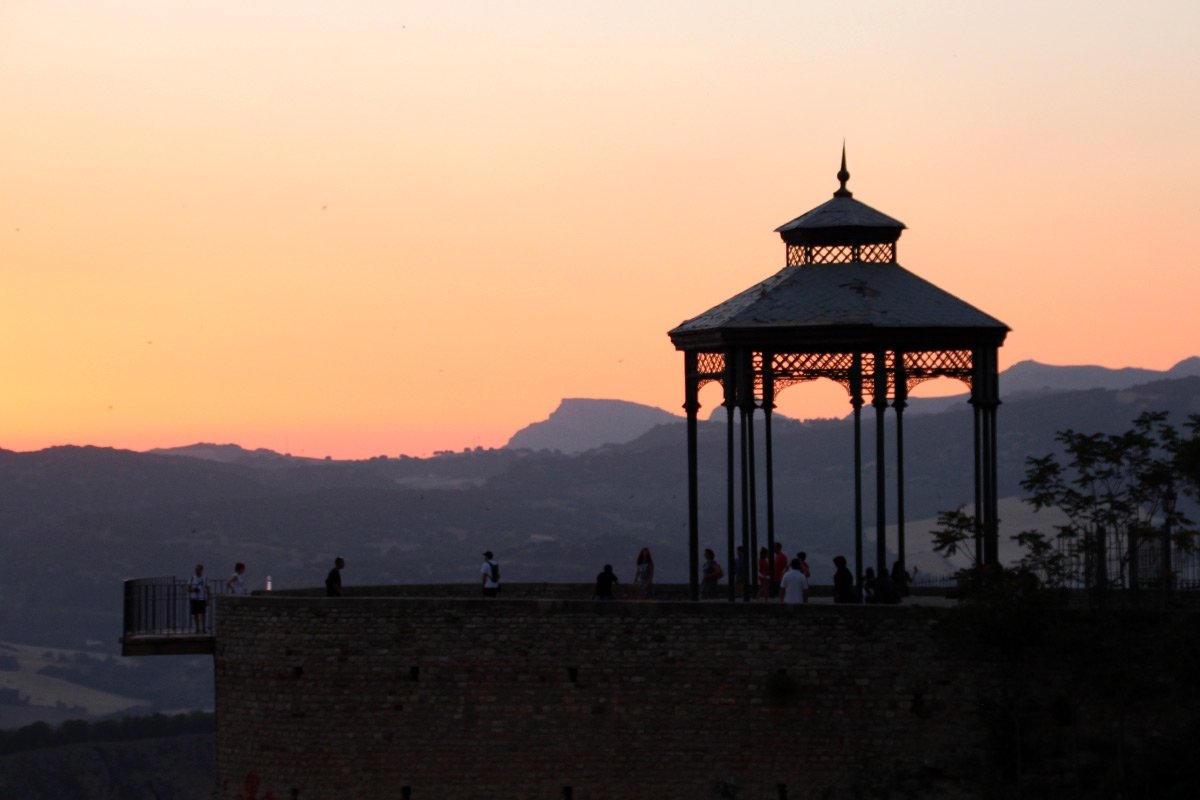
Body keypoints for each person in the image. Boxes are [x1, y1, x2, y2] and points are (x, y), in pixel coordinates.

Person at [187, 564, 209, 632]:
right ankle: (197, 628)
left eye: (198, 569)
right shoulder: (192, 578)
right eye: (196, 569)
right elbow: (188, 589)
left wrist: (208, 599)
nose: (196, 570)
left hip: (202, 598)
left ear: (201, 570)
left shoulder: (205, 578)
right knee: (195, 613)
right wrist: (193, 590)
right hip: (194, 598)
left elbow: (208, 589)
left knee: (203, 613)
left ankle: (204, 628)